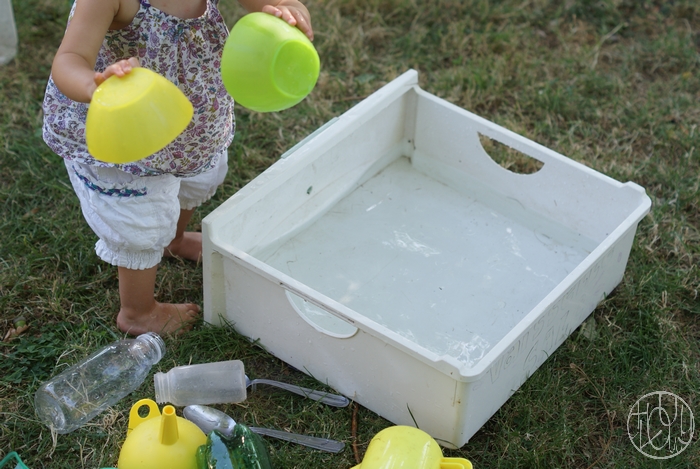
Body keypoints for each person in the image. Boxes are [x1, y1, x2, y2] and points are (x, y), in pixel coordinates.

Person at [42, 0, 314, 335]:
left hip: (188, 126)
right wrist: (94, 85)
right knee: (140, 221)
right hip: (128, 135)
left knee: (196, 181)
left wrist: (288, 9)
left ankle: (175, 239)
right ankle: (138, 312)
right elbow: (70, 59)